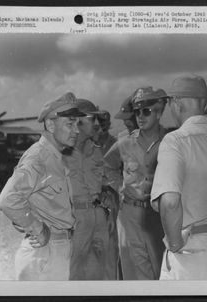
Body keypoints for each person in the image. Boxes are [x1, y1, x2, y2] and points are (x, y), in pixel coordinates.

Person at [151, 75, 207, 280]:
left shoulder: (175, 141)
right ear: (205, 103)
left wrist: (174, 244)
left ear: (177, 104)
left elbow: (170, 202)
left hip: (193, 250)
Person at [0, 92, 85, 281]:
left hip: (58, 250)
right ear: (51, 124)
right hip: (45, 255)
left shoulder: (55, 156)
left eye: (77, 124)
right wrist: (37, 228)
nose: (76, 130)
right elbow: (8, 199)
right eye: (70, 124)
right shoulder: (38, 157)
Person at [104, 86, 167, 280]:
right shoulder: (125, 142)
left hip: (159, 214)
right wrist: (120, 187)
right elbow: (107, 165)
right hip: (129, 213)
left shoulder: (171, 142)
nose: (140, 116)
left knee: (161, 270)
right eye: (137, 112)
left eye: (146, 111)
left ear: (159, 111)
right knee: (133, 272)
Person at [64, 98, 110, 280]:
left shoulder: (95, 150)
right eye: (93, 119)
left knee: (97, 275)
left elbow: (102, 180)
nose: (98, 124)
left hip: (98, 218)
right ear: (77, 120)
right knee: (73, 276)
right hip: (76, 221)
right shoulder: (61, 152)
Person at [95, 110, 120, 280]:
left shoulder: (115, 143)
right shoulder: (88, 144)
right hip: (93, 201)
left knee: (111, 250)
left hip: (111, 199)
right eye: (99, 123)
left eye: (105, 123)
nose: (102, 126)